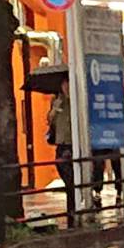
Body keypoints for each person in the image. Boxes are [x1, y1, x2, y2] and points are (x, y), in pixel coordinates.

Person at [47, 77, 76, 218]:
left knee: (73, 174)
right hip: (61, 141)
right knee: (63, 169)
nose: (65, 88)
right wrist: (54, 109)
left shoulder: (76, 99)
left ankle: (74, 204)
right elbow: (50, 120)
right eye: (63, 85)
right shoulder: (57, 100)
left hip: (73, 142)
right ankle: (72, 198)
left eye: (68, 84)